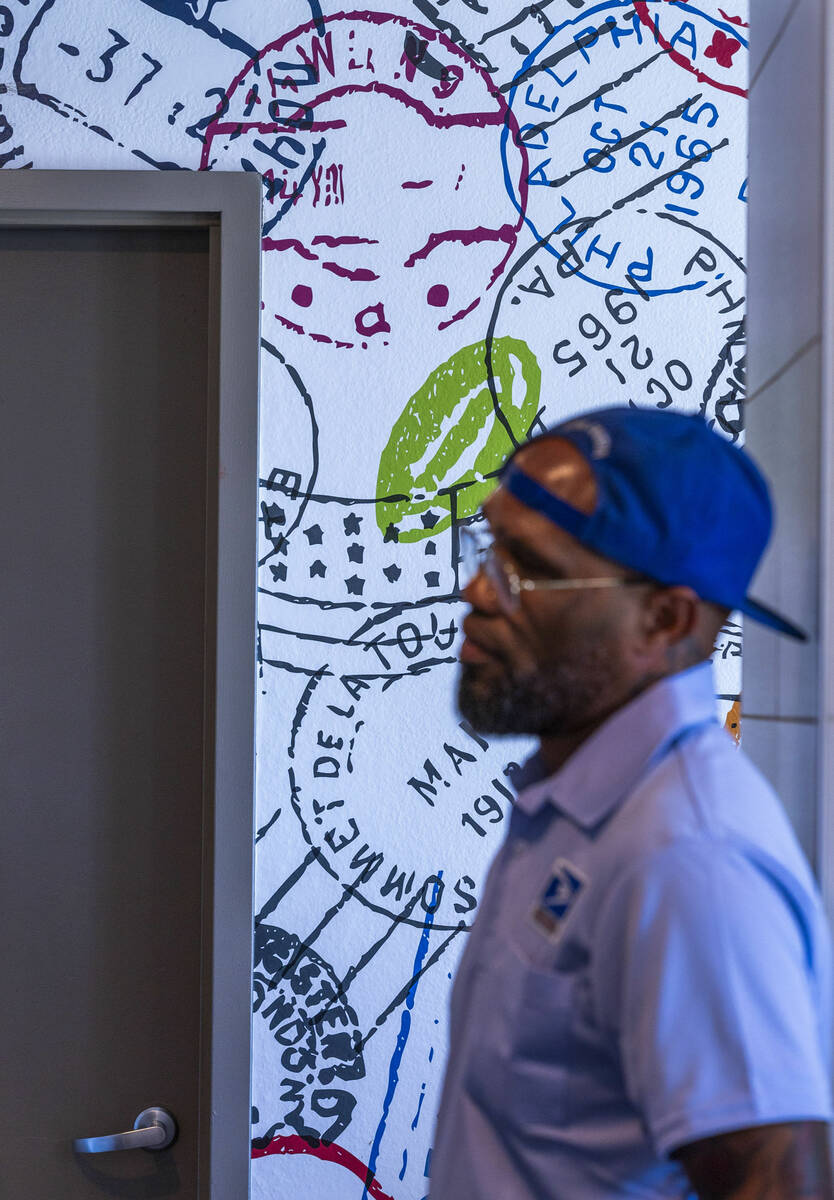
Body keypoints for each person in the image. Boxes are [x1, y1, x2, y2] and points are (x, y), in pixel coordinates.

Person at [429, 407, 834, 1199]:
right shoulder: (578, 804)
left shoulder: (687, 861)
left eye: (529, 568)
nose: (477, 591)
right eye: (489, 548)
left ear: (665, 619)